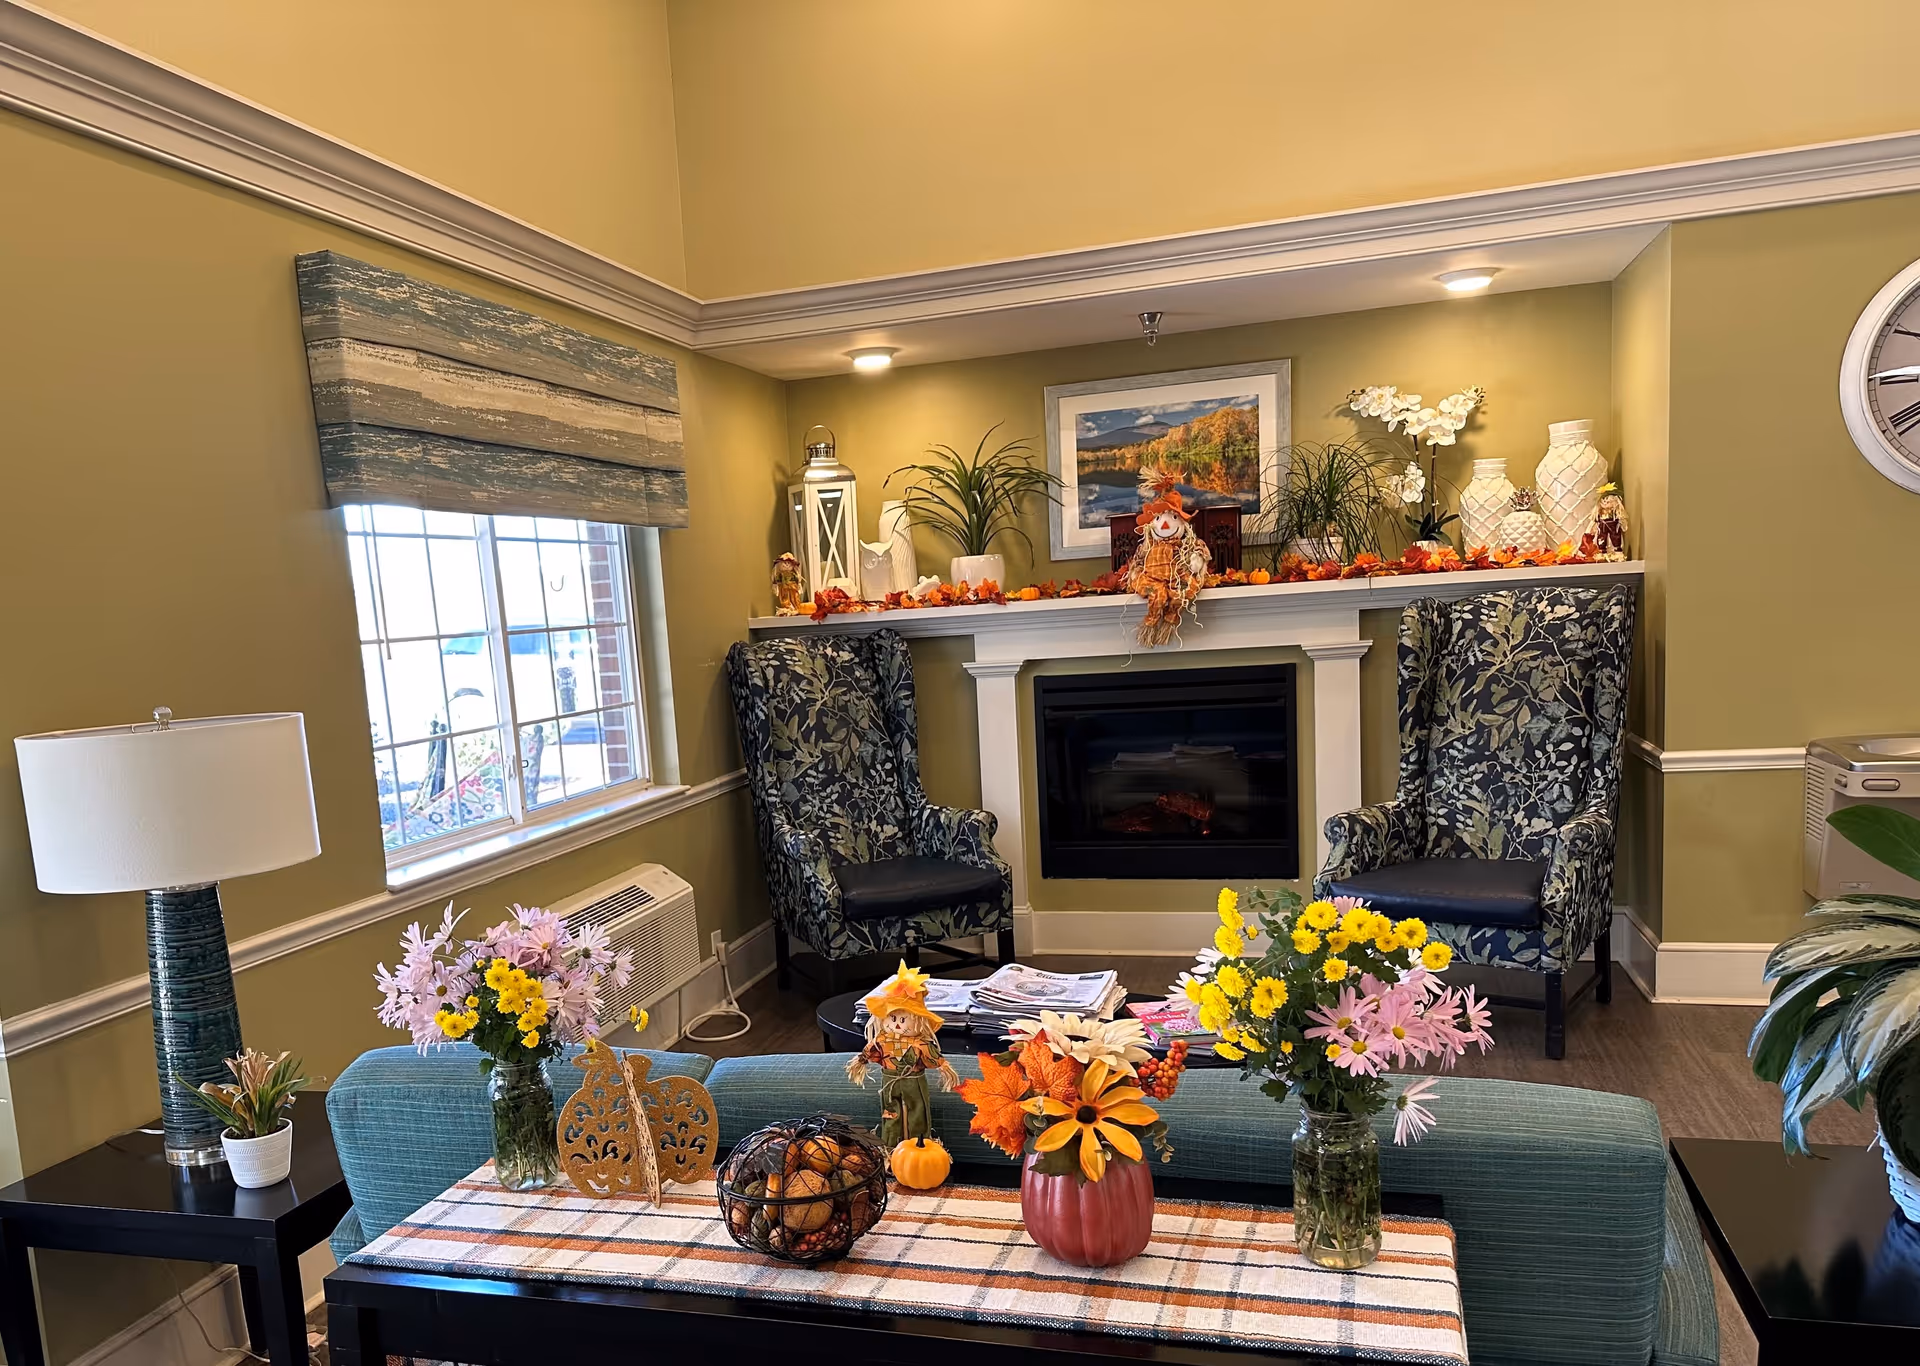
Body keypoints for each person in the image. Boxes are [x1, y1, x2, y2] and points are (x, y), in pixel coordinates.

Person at [845, 961, 959, 1146]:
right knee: (890, 1114)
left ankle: (919, 1144)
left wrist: (945, 1068)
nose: (897, 1024)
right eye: (893, 1018)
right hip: (889, 1082)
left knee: (917, 1112)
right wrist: (860, 1062)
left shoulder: (921, 1044)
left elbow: (935, 1058)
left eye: (904, 1019)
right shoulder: (881, 1040)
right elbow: (868, 1053)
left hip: (913, 1083)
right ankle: (890, 1147)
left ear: (918, 1022)